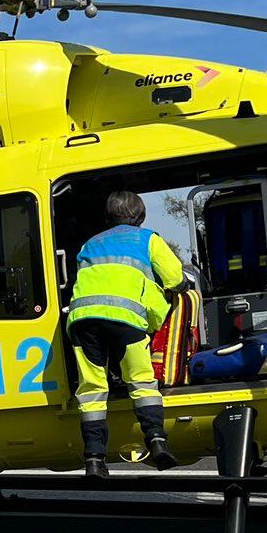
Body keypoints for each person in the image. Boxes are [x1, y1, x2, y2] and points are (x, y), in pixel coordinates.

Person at [69, 189, 187, 477]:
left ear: (107, 217)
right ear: (142, 216)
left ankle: (94, 460)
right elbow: (176, 278)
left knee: (92, 390)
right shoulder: (149, 240)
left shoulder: (89, 243)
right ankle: (157, 442)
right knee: (141, 382)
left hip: (82, 319)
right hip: (126, 318)